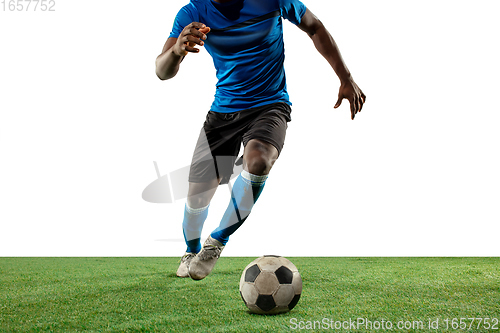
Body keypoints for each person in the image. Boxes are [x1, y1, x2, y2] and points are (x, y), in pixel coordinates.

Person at [155, 0, 366, 280]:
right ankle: (191, 249)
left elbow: (314, 27)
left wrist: (345, 77)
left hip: (270, 105)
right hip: (223, 113)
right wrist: (177, 50)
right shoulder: (192, 12)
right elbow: (162, 71)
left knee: (259, 160)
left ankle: (216, 242)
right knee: (197, 197)